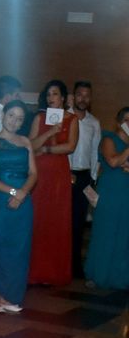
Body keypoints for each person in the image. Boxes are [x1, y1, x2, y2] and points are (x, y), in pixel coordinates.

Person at [0, 100, 37, 313]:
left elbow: (34, 173)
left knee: (18, 249)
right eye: (11, 115)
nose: (15, 121)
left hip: (23, 201)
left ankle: (9, 296)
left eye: (20, 118)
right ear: (3, 115)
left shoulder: (26, 142)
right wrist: (13, 192)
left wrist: (23, 192)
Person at [28, 80, 79, 286]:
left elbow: (71, 146)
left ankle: (55, 272)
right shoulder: (39, 118)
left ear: (63, 98)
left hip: (58, 172)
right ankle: (35, 271)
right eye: (48, 94)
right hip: (39, 171)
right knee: (39, 218)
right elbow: (30, 144)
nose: (51, 98)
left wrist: (47, 149)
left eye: (55, 94)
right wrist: (49, 133)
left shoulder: (71, 119)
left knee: (56, 219)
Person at [83, 107, 129, 289]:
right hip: (110, 191)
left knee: (123, 235)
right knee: (105, 232)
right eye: (127, 120)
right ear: (119, 122)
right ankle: (97, 274)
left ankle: (119, 276)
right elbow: (113, 161)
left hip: (126, 192)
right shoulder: (109, 138)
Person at [68, 81, 101, 278]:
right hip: (63, 174)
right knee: (62, 221)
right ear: (74, 95)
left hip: (83, 177)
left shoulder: (94, 123)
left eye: (87, 96)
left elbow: (96, 152)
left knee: (78, 223)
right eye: (80, 95)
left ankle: (75, 266)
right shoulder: (64, 117)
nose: (83, 99)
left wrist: (93, 179)